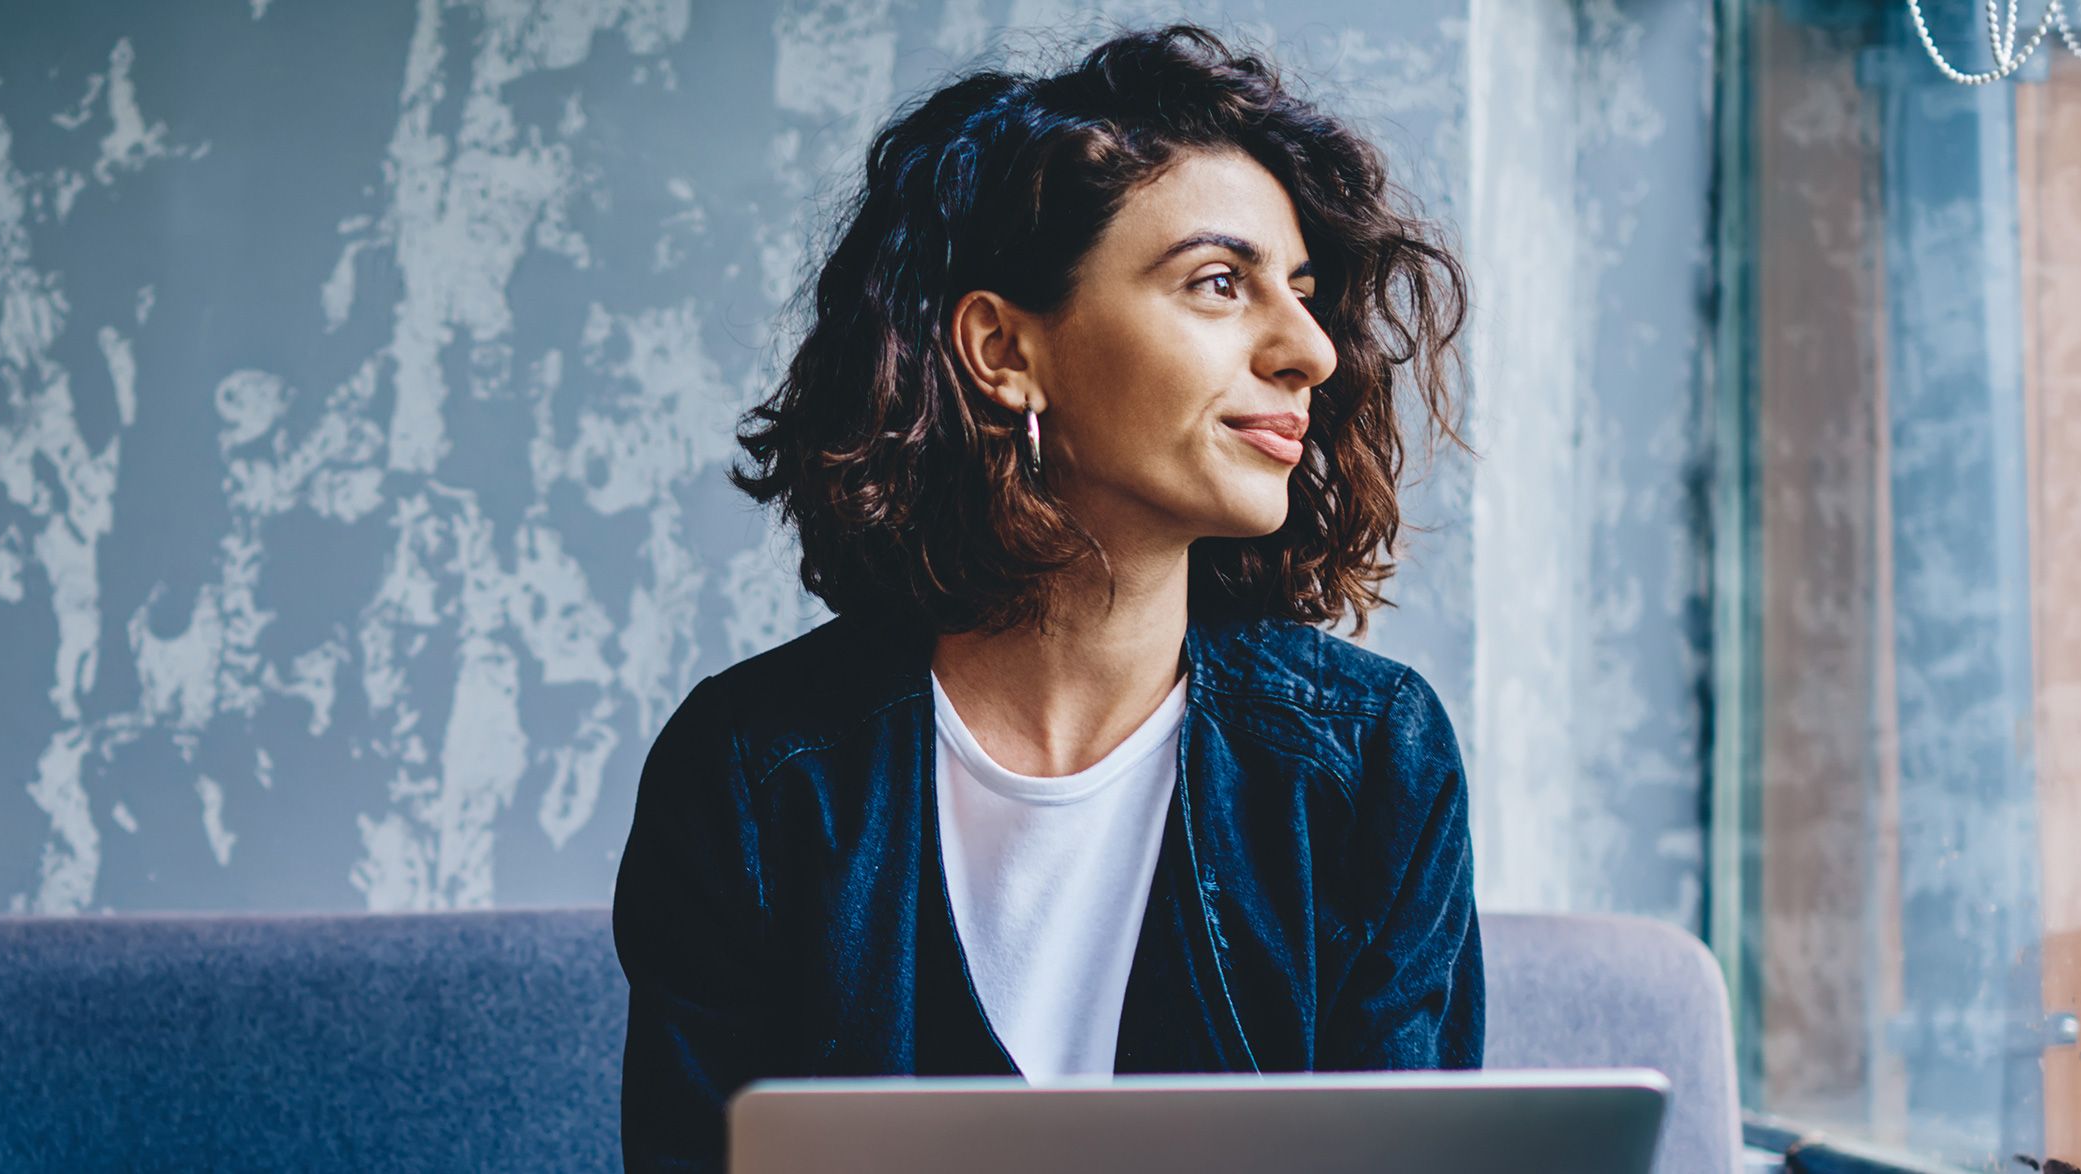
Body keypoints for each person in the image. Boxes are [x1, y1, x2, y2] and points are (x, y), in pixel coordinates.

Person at [609, 24, 1481, 1172]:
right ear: (1003, 350)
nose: (1310, 348)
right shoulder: (754, 780)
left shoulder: (1372, 763)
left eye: (1304, 293)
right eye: (1220, 282)